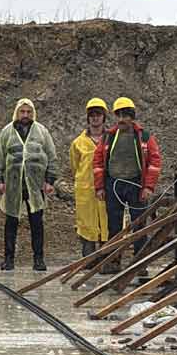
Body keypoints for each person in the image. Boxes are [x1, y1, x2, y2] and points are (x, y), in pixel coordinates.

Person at [93, 96, 163, 260]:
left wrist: (148, 187)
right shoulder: (108, 137)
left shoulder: (144, 137)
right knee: (114, 225)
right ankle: (113, 259)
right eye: (119, 115)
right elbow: (97, 162)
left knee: (139, 224)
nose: (122, 119)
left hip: (136, 184)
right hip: (113, 184)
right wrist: (100, 187)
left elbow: (155, 161)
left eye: (126, 115)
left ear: (132, 117)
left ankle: (139, 261)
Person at [0, 98, 56, 272]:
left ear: (32, 113)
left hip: (35, 186)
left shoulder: (42, 131)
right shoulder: (7, 132)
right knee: (11, 223)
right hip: (13, 185)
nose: (25, 115)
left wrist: (49, 181)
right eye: (22, 111)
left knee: (37, 224)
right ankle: (9, 259)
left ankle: (38, 259)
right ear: (17, 113)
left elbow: (51, 156)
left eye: (28, 112)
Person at [70, 98, 111, 257]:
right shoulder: (78, 143)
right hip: (86, 191)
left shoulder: (112, 139)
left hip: (107, 188)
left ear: (104, 117)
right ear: (88, 117)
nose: (95, 118)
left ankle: (107, 257)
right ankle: (88, 259)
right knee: (87, 224)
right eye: (92, 114)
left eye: (98, 114)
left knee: (108, 222)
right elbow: (74, 166)